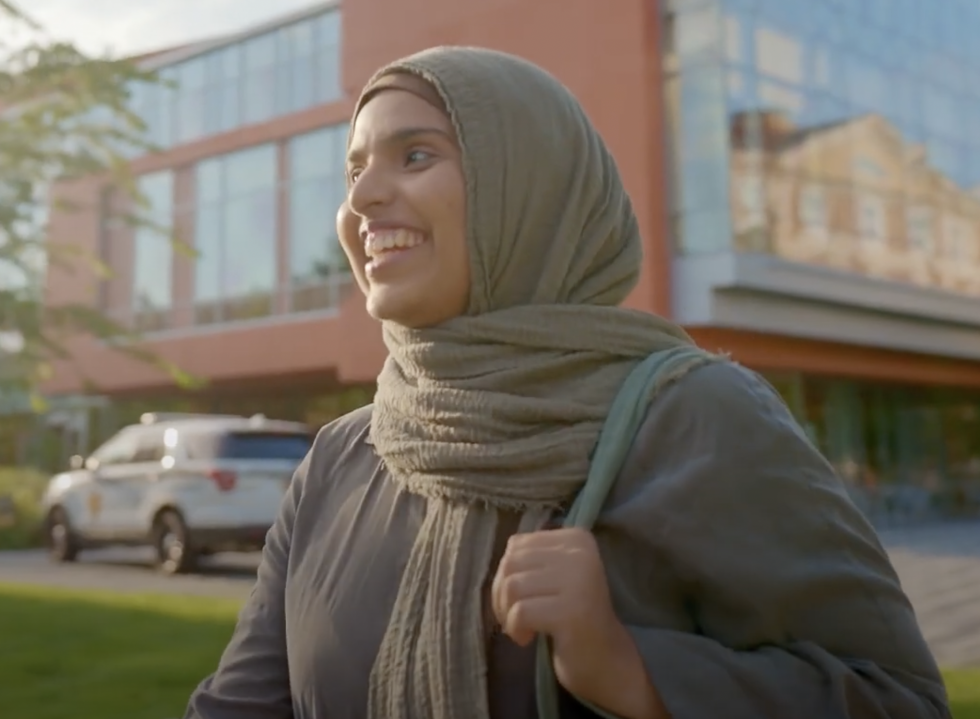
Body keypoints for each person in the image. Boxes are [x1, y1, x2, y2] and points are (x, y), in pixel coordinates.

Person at [184, 47, 950, 719]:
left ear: (532, 189)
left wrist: (632, 672)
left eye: (414, 156)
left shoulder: (696, 417)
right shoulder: (340, 460)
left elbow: (899, 699)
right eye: (355, 170)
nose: (362, 200)